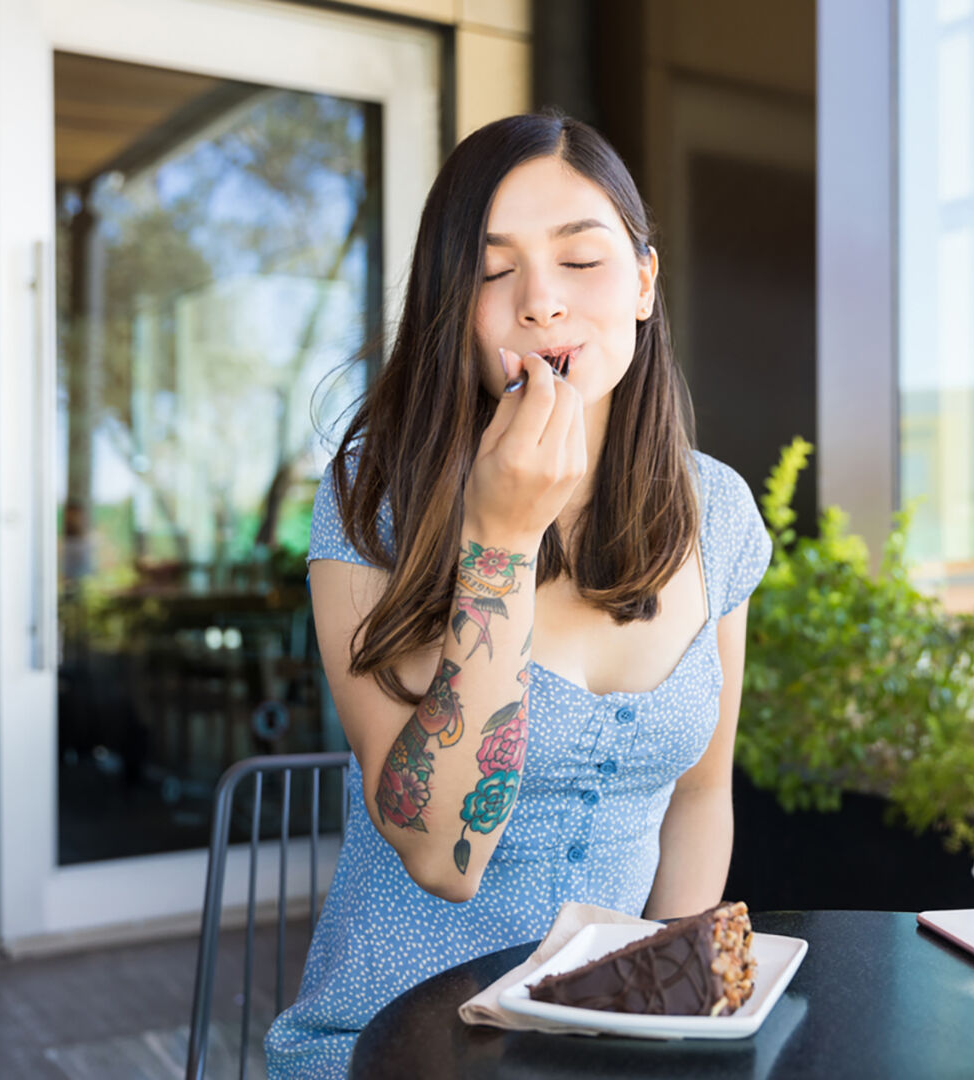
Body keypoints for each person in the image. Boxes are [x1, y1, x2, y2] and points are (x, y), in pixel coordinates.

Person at [263, 112, 772, 1076]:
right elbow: (441, 855)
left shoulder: (717, 511)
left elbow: (700, 798)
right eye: (493, 273)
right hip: (389, 1046)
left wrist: (675, 1023)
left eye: (581, 261)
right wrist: (499, 540)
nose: (541, 304)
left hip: (607, 1042)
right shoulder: (371, 495)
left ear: (643, 285)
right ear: (452, 307)